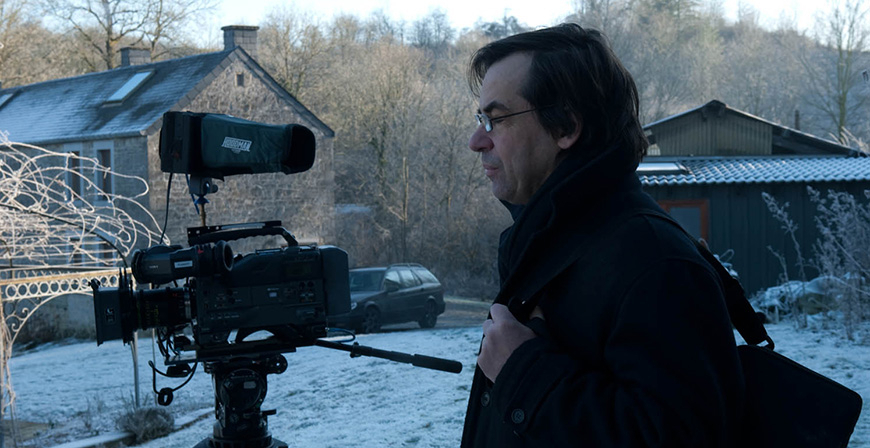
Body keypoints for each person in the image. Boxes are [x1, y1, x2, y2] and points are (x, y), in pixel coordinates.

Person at [462, 23, 745, 447]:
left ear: (566, 128)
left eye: (497, 119)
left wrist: (523, 371)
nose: (476, 140)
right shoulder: (548, 243)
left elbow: (678, 437)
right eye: (481, 118)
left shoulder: (654, 262)